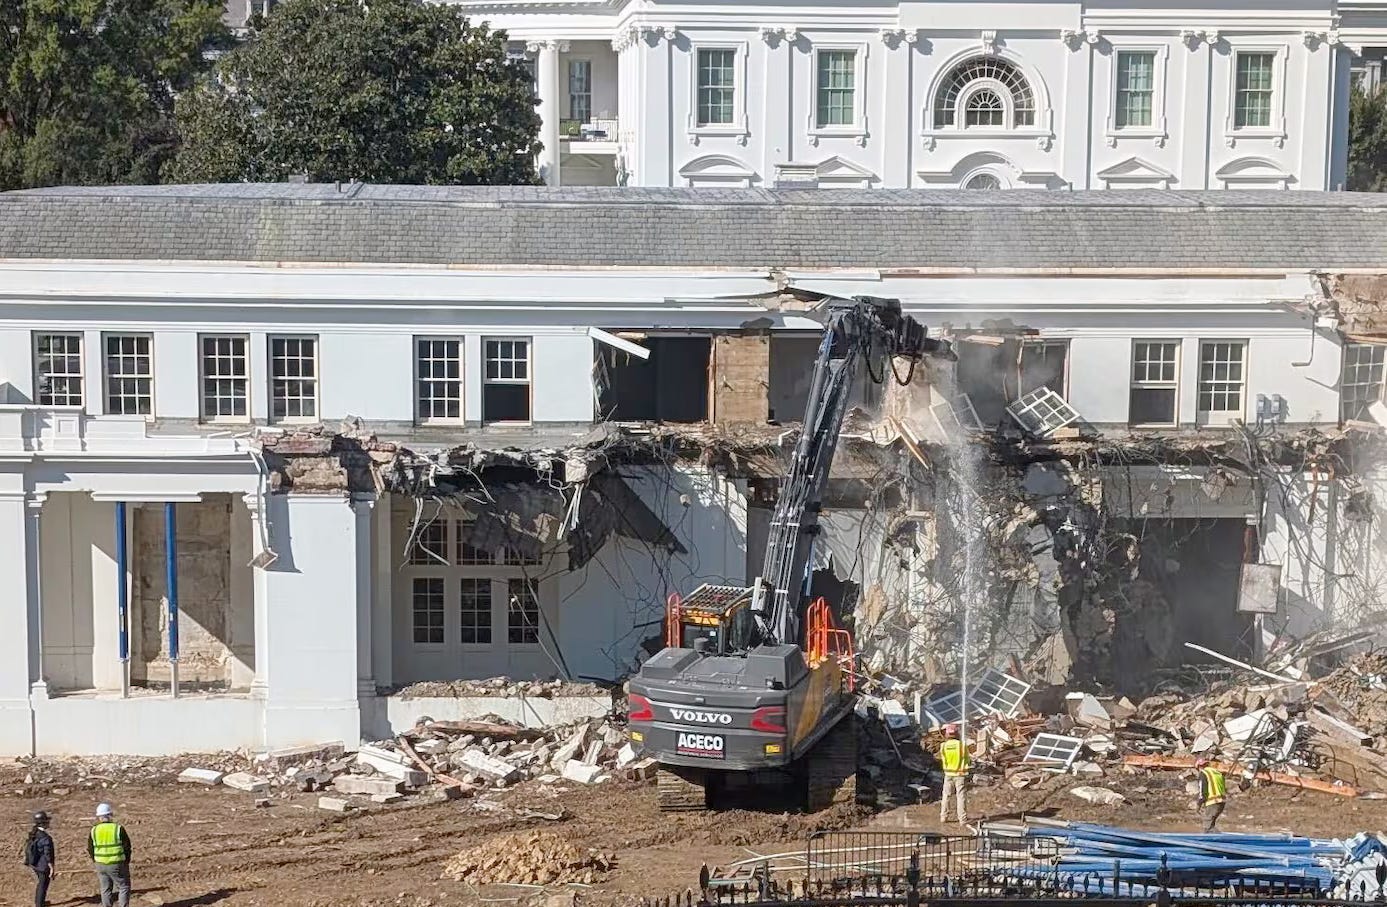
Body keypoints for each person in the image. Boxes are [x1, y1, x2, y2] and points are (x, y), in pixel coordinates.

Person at [87, 803, 131, 907]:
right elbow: (127, 847)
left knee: (105, 889)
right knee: (123, 887)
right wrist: (126, 861)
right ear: (110, 814)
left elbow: (90, 848)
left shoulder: (94, 830)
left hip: (100, 864)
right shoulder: (118, 828)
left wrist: (96, 860)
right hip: (117, 863)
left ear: (99, 817)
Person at [938, 723, 971, 825]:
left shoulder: (943, 746)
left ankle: (943, 817)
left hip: (948, 773)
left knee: (946, 795)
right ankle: (962, 819)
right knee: (960, 796)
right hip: (960, 774)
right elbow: (967, 759)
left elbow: (943, 759)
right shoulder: (962, 745)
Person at [20, 811, 55, 907]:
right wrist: (51, 867)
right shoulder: (46, 838)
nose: (49, 822)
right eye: (47, 821)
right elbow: (48, 853)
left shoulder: (34, 833)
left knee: (41, 883)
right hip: (42, 865)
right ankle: (39, 904)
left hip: (34, 863)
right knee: (43, 885)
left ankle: (39, 902)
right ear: (43, 823)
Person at [1195, 759, 1227, 832]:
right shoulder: (1217, 773)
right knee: (1210, 824)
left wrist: (1199, 804)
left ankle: (1219, 840)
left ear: (1199, 767)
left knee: (1208, 826)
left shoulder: (1204, 773)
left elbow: (1203, 791)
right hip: (1221, 802)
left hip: (1212, 801)